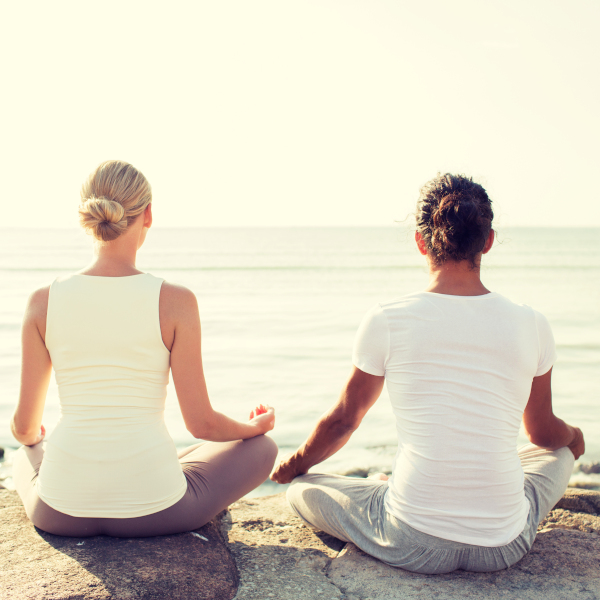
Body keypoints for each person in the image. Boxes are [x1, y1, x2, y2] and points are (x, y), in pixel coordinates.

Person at [271, 173, 585, 574]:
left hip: (413, 542)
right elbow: (542, 433)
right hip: (505, 545)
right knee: (557, 453)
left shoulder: (387, 319)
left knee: (302, 490)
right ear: (487, 241)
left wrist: (295, 463)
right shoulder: (532, 323)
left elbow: (343, 422)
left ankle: (393, 487)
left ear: (422, 242)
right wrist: (574, 437)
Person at [11, 160, 277, 537]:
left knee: (28, 452)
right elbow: (201, 423)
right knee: (262, 449)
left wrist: (34, 439)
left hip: (59, 512)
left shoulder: (42, 301)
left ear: (88, 216)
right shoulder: (176, 301)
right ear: (148, 215)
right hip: (158, 510)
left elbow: (23, 428)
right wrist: (251, 427)